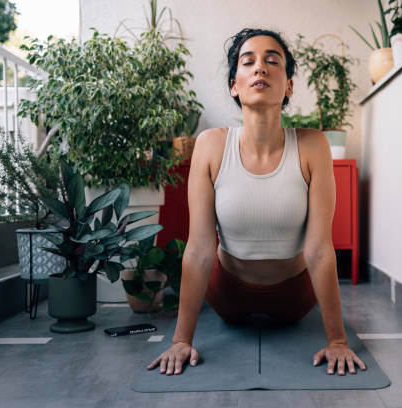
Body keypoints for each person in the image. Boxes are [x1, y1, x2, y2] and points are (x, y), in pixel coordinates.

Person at [147, 28, 366, 377]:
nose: (260, 68)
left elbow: (320, 249)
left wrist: (337, 341)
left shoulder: (313, 146)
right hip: (226, 293)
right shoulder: (211, 145)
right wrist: (180, 340)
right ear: (235, 85)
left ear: (289, 86)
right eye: (247, 62)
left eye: (272, 61)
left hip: (295, 296)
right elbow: (201, 248)